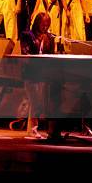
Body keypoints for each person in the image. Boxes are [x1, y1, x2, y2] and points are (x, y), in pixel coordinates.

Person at [20, 12, 62, 140]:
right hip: (31, 73)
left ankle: (44, 130)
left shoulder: (49, 37)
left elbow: (51, 55)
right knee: (34, 101)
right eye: (43, 24)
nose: (45, 27)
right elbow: (25, 53)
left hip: (44, 74)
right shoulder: (27, 35)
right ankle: (32, 130)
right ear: (38, 23)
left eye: (47, 25)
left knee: (41, 102)